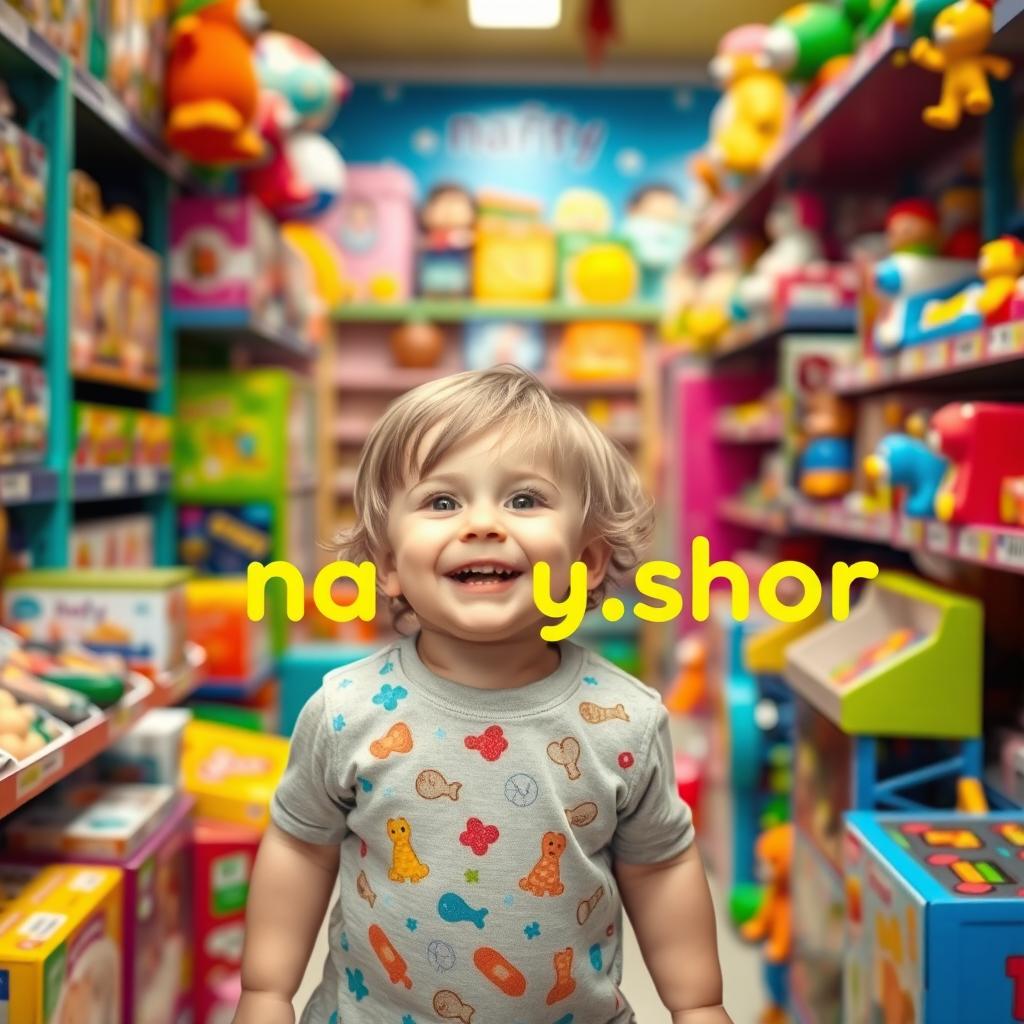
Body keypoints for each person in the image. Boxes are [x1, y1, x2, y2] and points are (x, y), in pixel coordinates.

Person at [233, 365, 732, 1024]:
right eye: (443, 502)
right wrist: (265, 993)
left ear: (586, 560)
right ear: (387, 563)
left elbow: (660, 867)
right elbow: (300, 846)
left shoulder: (624, 721)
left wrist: (698, 1005)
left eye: (525, 500)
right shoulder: (347, 710)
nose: (483, 524)